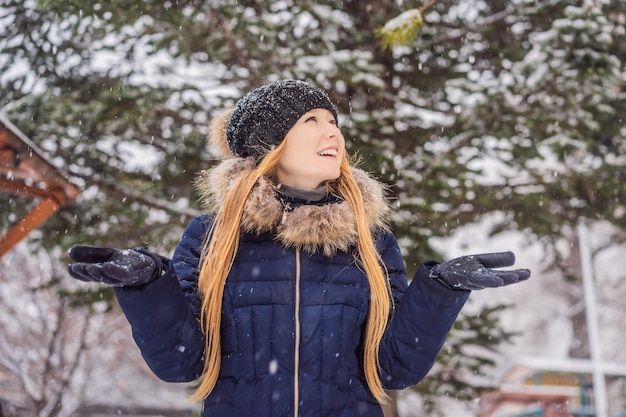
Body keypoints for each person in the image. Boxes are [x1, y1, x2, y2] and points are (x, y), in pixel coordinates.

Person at [67, 79, 530, 417]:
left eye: (333, 121)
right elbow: (182, 363)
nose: (333, 132)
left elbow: (394, 369)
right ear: (271, 144)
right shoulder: (213, 237)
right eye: (312, 120)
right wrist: (148, 285)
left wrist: (441, 291)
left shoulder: (369, 242)